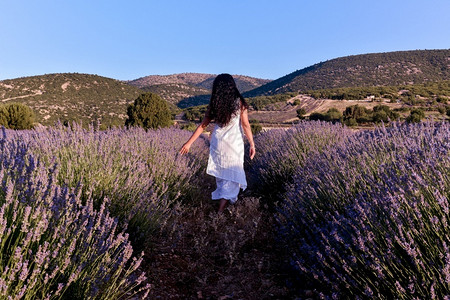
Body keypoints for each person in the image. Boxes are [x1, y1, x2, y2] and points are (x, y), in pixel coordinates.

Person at [179, 73, 255, 212]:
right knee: (231, 174)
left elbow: (203, 125)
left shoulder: (215, 104)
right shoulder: (240, 103)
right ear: (232, 86)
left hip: (218, 143)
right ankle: (221, 209)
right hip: (234, 144)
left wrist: (189, 143)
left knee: (222, 175)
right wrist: (251, 143)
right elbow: (246, 125)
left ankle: (225, 200)